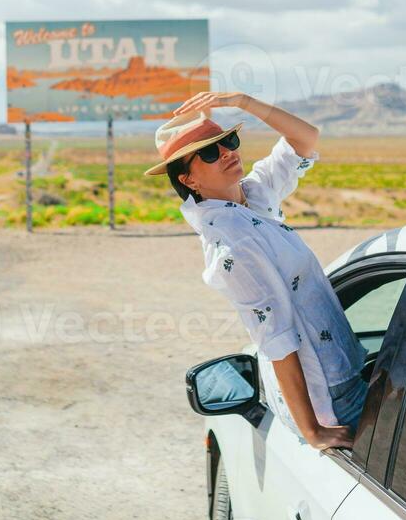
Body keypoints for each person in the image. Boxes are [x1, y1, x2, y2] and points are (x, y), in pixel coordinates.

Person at [144, 91, 370, 451]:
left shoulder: (254, 194)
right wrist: (313, 432)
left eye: (228, 141)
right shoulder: (231, 246)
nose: (227, 153)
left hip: (346, 366)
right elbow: (277, 339)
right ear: (188, 180)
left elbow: (305, 140)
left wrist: (245, 102)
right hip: (330, 391)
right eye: (208, 152)